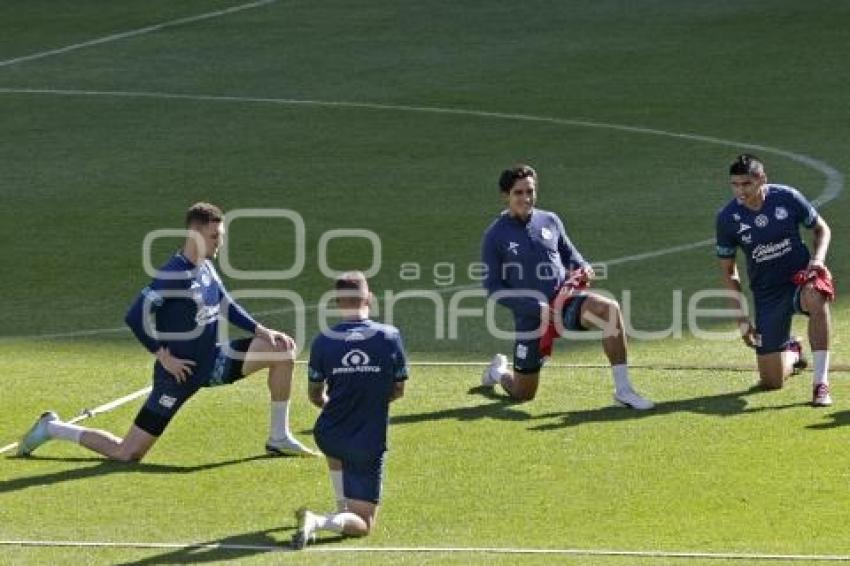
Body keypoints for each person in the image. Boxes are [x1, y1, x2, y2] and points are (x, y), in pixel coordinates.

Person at [17, 202, 315, 460]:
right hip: (178, 376)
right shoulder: (173, 274)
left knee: (282, 351)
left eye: (220, 236)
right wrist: (163, 357)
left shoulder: (205, 267)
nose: (219, 243)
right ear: (195, 234)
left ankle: (278, 438)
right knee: (127, 453)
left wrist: (262, 331)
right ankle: (52, 428)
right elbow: (135, 316)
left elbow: (225, 303)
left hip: (214, 362)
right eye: (214, 237)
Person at [480, 164, 653, 410]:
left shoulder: (550, 220)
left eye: (530, 191)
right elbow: (493, 287)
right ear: (505, 195)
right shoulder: (494, 236)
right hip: (531, 317)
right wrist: (532, 307)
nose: (526, 198)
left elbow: (570, 255)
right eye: (518, 193)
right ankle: (498, 373)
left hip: (565, 302)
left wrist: (583, 267)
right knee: (523, 394)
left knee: (609, 310)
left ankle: (624, 391)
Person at [291, 271, 408, 549]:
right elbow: (399, 389)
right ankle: (318, 521)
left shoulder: (323, 341)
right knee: (363, 524)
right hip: (367, 440)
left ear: (337, 302)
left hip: (329, 432)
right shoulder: (390, 337)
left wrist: (338, 407)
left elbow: (315, 394)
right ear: (369, 298)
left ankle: (341, 504)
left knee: (336, 445)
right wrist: (368, 405)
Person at [716, 154, 834, 405]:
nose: (740, 191)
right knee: (771, 382)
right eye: (735, 184)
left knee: (817, 295)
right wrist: (742, 319)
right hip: (767, 294)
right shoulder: (728, 218)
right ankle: (793, 352)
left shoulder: (787, 198)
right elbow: (729, 271)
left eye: (746, 184)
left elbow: (821, 228)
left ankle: (820, 383)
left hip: (800, 279)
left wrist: (818, 260)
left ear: (762, 179)